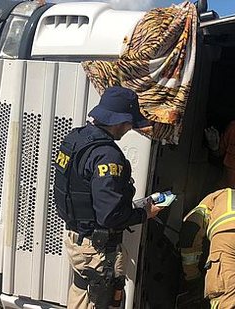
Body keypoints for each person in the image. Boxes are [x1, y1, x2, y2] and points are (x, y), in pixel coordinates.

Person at [54, 86, 162, 309]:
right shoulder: (107, 155)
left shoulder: (76, 139)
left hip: (78, 239)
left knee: (82, 293)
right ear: (118, 122)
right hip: (98, 249)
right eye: (130, 123)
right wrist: (144, 213)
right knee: (100, 298)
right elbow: (110, 216)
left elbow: (85, 194)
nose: (130, 128)